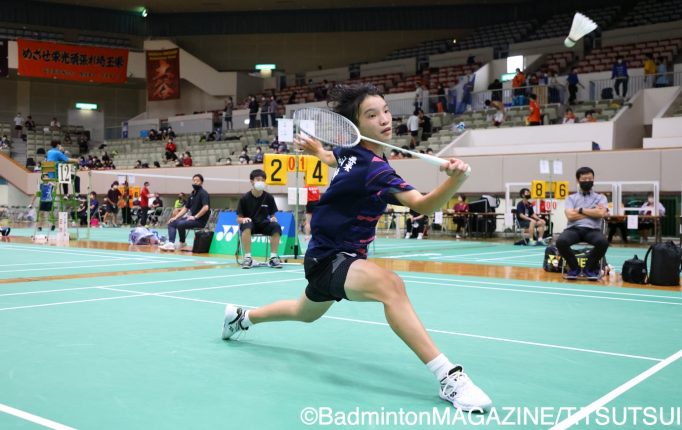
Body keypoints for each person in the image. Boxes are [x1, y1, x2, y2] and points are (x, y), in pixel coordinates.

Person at [221, 84, 492, 412]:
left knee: (302, 312)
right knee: (391, 286)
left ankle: (241, 317)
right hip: (331, 258)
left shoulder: (352, 153)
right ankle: (449, 377)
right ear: (356, 126)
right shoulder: (375, 170)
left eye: (386, 111)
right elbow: (423, 205)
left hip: (331, 257)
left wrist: (318, 151)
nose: (384, 119)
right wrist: (455, 181)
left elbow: (331, 158)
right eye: (372, 115)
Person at [556, 167, 609, 280]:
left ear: (593, 179)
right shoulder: (570, 198)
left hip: (593, 230)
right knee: (561, 241)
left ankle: (589, 268)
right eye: (584, 179)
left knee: (603, 242)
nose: (587, 181)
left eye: (590, 179)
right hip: (574, 229)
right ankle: (574, 268)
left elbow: (601, 213)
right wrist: (592, 211)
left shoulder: (601, 197)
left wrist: (580, 210)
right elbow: (570, 216)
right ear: (578, 180)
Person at [236, 169, 283, 268]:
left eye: (262, 180)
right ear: (252, 181)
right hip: (250, 225)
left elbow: (272, 215)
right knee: (246, 225)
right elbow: (238, 219)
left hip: (263, 224)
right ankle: (248, 258)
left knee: (276, 226)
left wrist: (273, 218)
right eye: (258, 179)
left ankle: (273, 258)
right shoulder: (244, 198)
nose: (260, 182)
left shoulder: (269, 197)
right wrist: (243, 220)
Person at [161, 174, 210, 250]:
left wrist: (195, 217)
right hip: (191, 219)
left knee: (181, 223)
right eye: (194, 180)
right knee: (171, 222)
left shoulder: (203, 193)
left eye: (197, 181)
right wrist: (175, 217)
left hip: (200, 221)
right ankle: (171, 243)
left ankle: (182, 242)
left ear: (201, 182)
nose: (195, 182)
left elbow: (206, 207)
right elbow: (186, 208)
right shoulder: (192, 194)